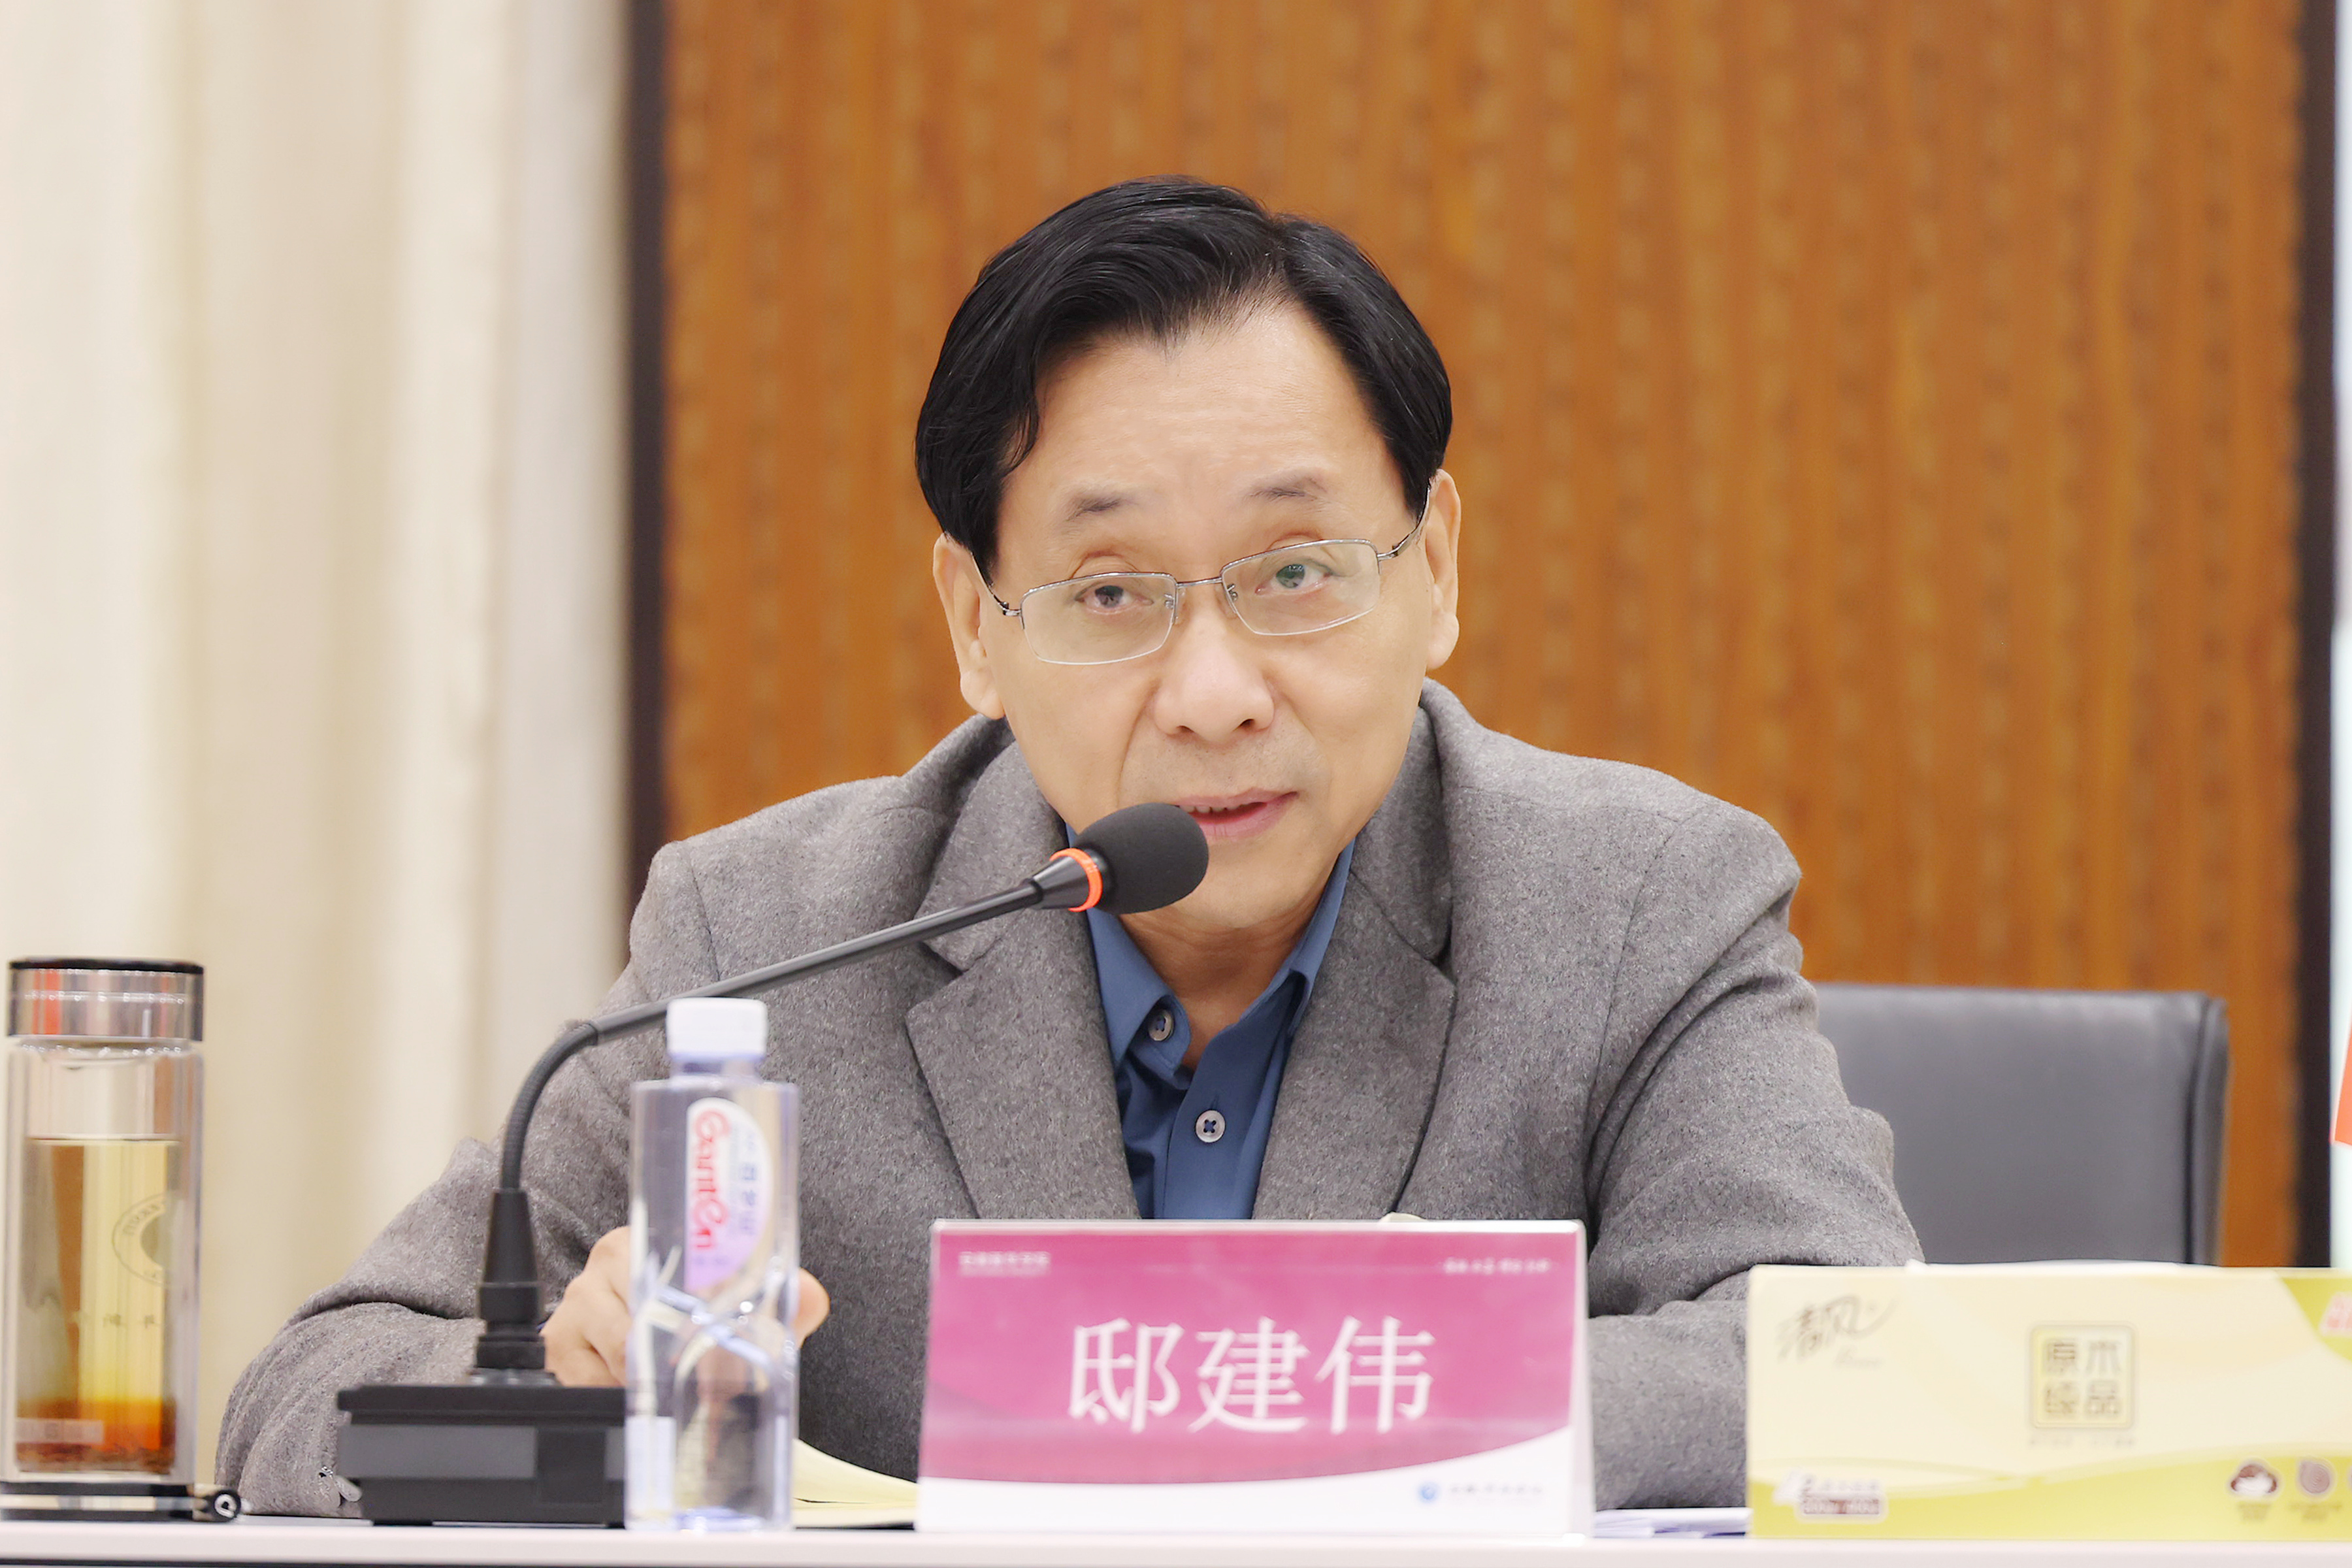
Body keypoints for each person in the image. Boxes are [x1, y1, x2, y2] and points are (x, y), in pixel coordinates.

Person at [219, 177, 1918, 1514]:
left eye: (1297, 572)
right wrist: (568, 1409)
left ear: (1438, 571)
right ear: (978, 625)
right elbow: (307, 1398)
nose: (1215, 693)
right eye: (1111, 594)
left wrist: (1306, 1396)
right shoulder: (771, 939)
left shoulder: (1637, 908)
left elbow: (1850, 1362)